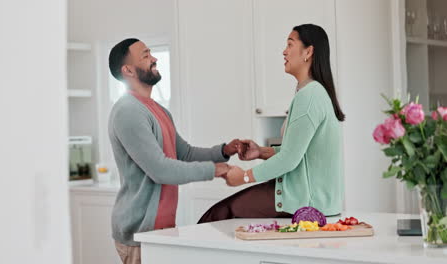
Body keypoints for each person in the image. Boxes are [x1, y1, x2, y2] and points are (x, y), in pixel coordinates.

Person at [108, 38, 243, 264]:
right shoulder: (128, 111)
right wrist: (217, 170)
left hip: (160, 231)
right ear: (128, 70)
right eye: (145, 55)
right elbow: (161, 170)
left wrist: (224, 150)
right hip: (139, 233)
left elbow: (185, 154)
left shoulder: (157, 109)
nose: (154, 58)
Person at [198, 24, 345, 224]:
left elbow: (289, 160)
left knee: (219, 216)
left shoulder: (310, 96)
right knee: (220, 216)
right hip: (310, 200)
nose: (284, 51)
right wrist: (261, 152)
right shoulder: (312, 93)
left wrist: (244, 177)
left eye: (290, 44)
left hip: (304, 202)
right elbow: (299, 153)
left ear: (308, 52)